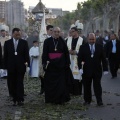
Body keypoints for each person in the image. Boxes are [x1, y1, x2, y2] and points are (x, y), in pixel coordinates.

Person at [78, 33, 108, 106]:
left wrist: (105, 69)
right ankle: (87, 100)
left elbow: (103, 58)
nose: (92, 41)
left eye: (93, 39)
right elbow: (79, 59)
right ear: (88, 39)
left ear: (95, 39)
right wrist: (80, 68)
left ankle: (99, 101)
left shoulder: (100, 47)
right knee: (86, 86)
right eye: (90, 39)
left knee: (97, 86)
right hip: (86, 70)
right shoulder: (83, 47)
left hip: (97, 70)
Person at [42, 27, 70, 104]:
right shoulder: (47, 41)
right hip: (50, 66)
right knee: (50, 84)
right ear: (52, 32)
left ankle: (60, 100)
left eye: (58, 31)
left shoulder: (62, 41)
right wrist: (44, 63)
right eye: (55, 32)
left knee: (61, 84)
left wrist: (67, 63)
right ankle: (50, 99)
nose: (57, 33)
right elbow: (45, 53)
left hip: (60, 66)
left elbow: (66, 53)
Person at [4, 28, 30, 106]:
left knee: (19, 83)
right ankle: (14, 99)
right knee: (12, 83)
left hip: (21, 66)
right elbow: (5, 56)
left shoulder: (24, 43)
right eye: (16, 34)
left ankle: (20, 99)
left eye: (19, 34)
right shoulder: (7, 43)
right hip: (11, 66)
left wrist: (27, 63)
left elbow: (26, 54)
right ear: (13, 34)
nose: (18, 36)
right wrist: (5, 66)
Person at [66, 27, 84, 96]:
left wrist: (76, 52)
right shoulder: (68, 39)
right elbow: (64, 49)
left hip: (78, 60)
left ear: (76, 32)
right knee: (70, 76)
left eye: (73, 31)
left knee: (78, 76)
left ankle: (78, 92)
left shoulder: (82, 40)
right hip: (70, 60)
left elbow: (84, 50)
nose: (71, 33)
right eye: (70, 32)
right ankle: (71, 91)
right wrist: (68, 51)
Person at [39, 25, 54, 95]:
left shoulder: (54, 39)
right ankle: (42, 88)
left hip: (51, 59)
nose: (52, 32)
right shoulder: (43, 38)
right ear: (47, 30)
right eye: (51, 30)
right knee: (42, 74)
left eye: (52, 30)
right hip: (43, 58)